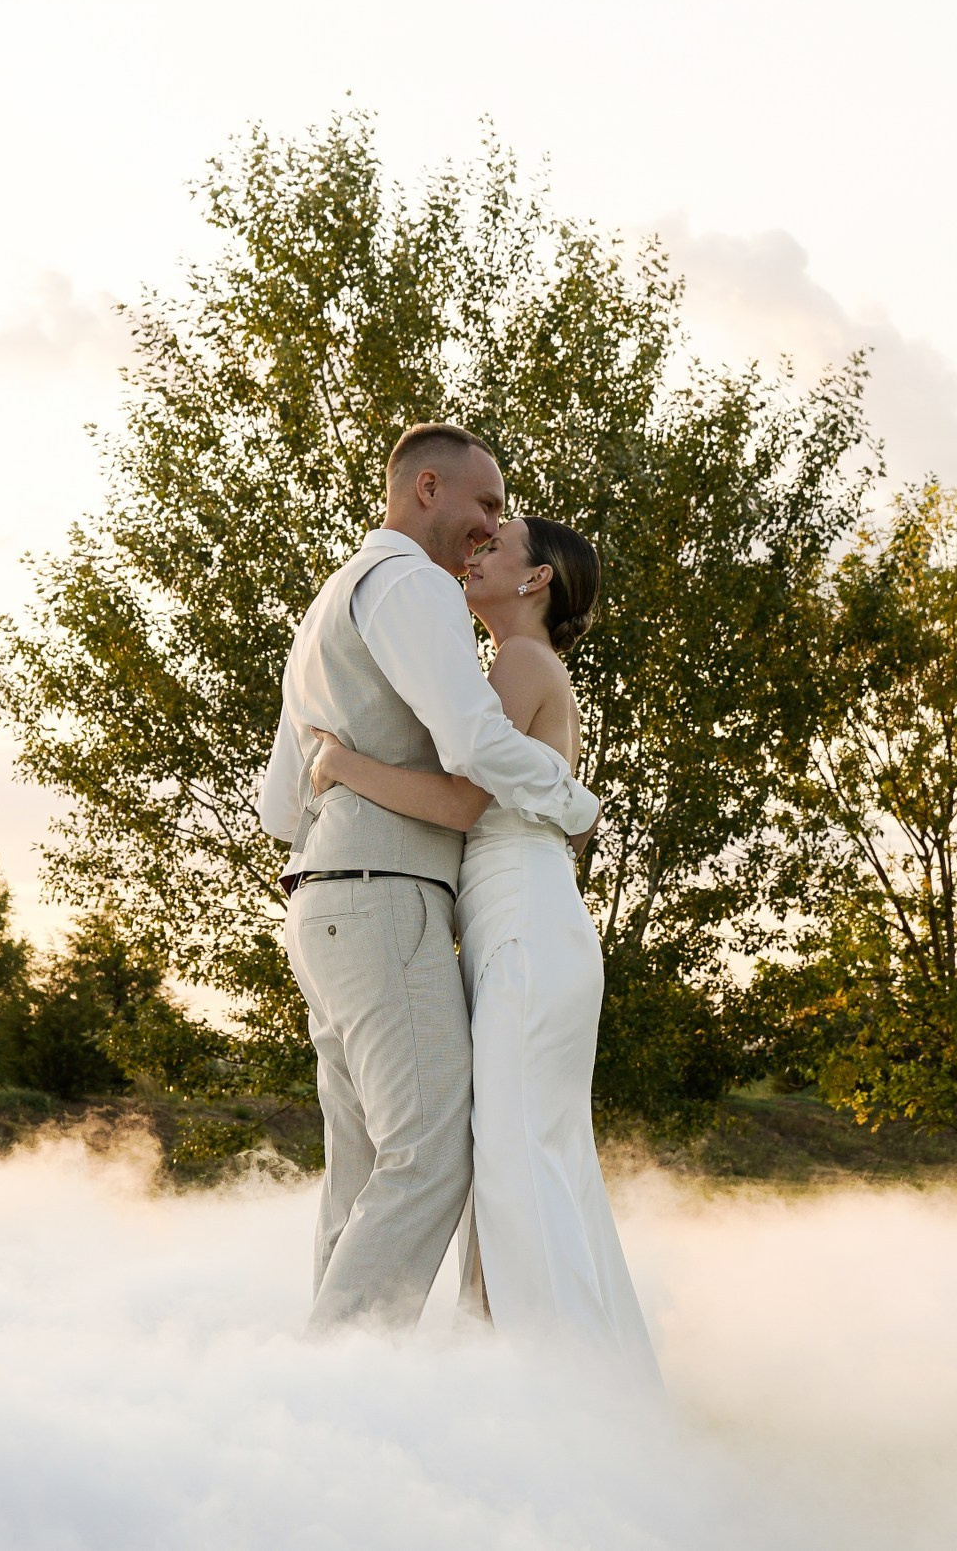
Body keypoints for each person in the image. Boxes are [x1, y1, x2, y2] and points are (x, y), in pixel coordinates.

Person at [256, 423, 600, 1332]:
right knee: (432, 1158)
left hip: (321, 899)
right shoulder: (414, 586)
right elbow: (475, 752)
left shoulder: (332, 603)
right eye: (485, 504)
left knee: (363, 1166)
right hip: (383, 895)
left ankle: (327, 1400)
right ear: (428, 490)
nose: (489, 527)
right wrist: (572, 800)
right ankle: (335, 1381)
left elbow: (275, 809)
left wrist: (346, 782)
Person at [309, 513, 657, 1376]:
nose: (476, 553)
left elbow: (461, 799)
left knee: (512, 1166)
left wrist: (344, 766)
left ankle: (552, 1390)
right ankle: (518, 1377)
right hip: (521, 921)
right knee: (523, 1159)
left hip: (526, 931)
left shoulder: (517, 661)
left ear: (536, 580)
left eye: (496, 545)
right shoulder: (529, 665)